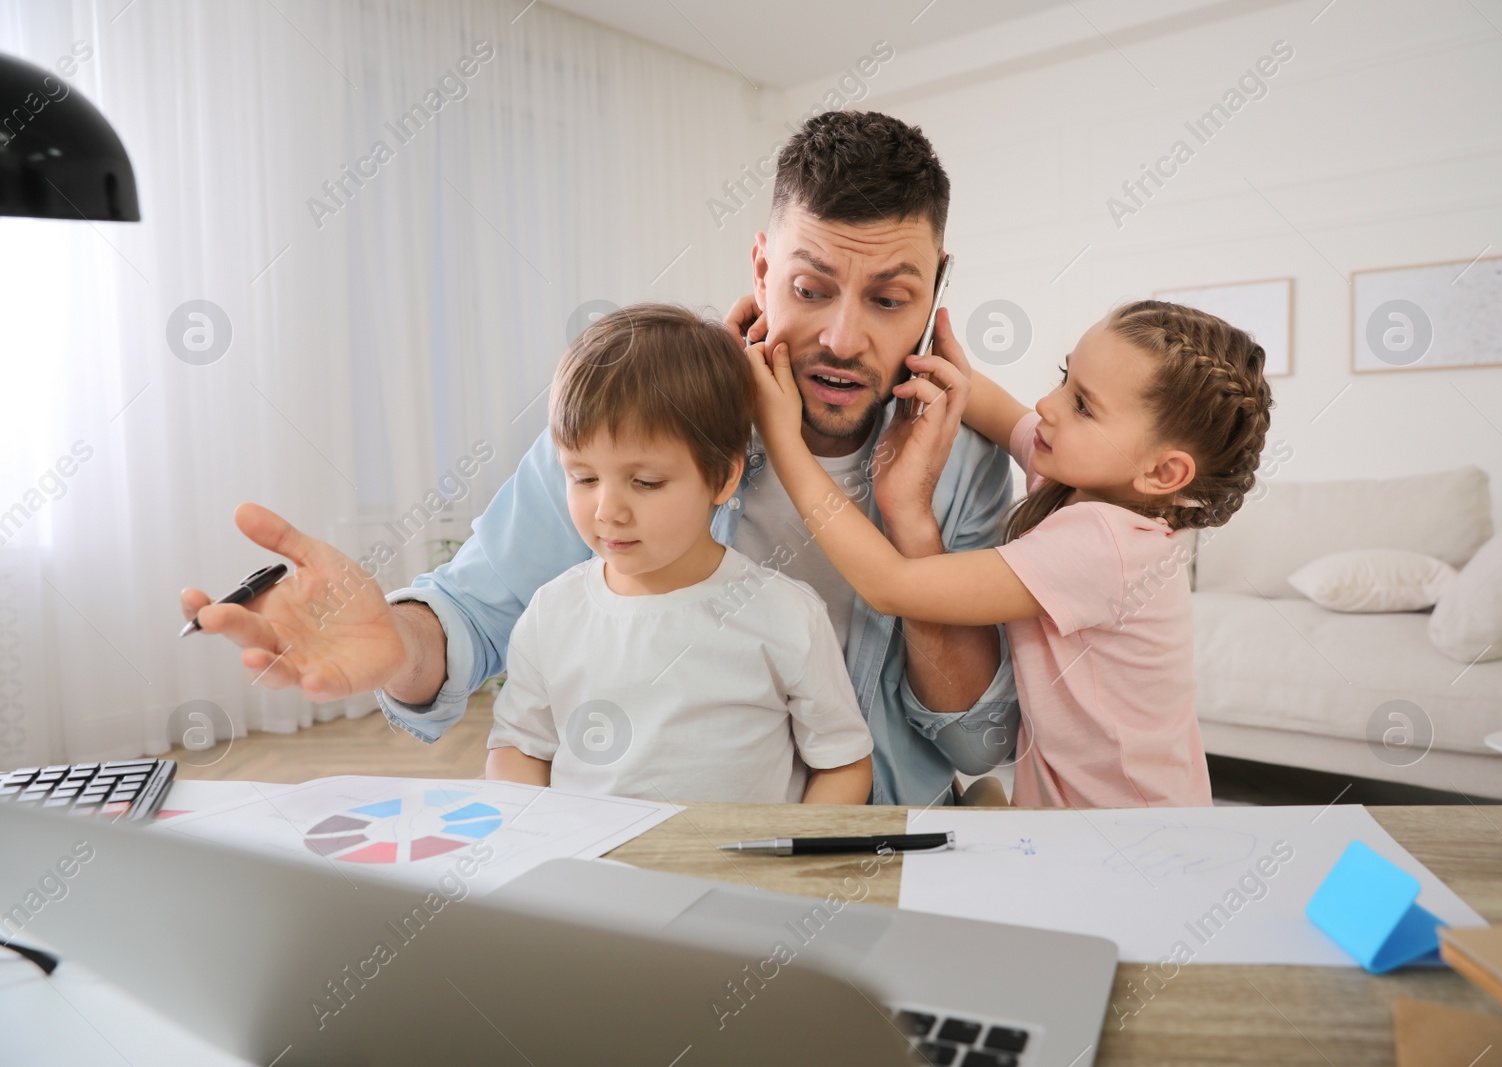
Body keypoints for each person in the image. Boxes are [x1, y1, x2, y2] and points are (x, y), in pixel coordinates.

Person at [178, 110, 1019, 807]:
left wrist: (911, 521)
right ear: (762, 268)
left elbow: (979, 741)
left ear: (936, 293)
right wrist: (395, 646)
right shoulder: (640, 422)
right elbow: (473, 611)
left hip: (874, 840)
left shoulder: (964, 462)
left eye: (889, 299)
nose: (842, 336)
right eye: (810, 287)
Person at [745, 300, 1275, 808]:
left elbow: (891, 584)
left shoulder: (1101, 544)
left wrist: (783, 439)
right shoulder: (1086, 477)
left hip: (1131, 831)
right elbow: (995, 407)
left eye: (1083, 405)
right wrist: (907, 349)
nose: (1048, 404)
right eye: (1065, 379)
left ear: (1163, 473)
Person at [484, 303, 873, 803]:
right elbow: (519, 748)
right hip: (591, 874)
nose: (608, 511)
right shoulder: (552, 613)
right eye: (583, 477)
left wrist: (791, 867)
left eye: (645, 482)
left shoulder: (787, 616)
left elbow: (843, 764)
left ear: (722, 477)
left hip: (737, 877)